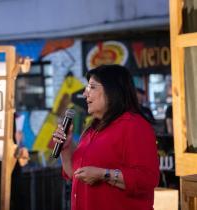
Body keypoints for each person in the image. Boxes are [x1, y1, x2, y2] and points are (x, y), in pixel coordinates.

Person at [52, 65, 160, 210]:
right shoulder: (92, 129)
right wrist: (65, 149)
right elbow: (75, 174)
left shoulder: (134, 125)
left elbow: (147, 179)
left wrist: (103, 174)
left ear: (112, 90)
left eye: (92, 87)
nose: (85, 93)